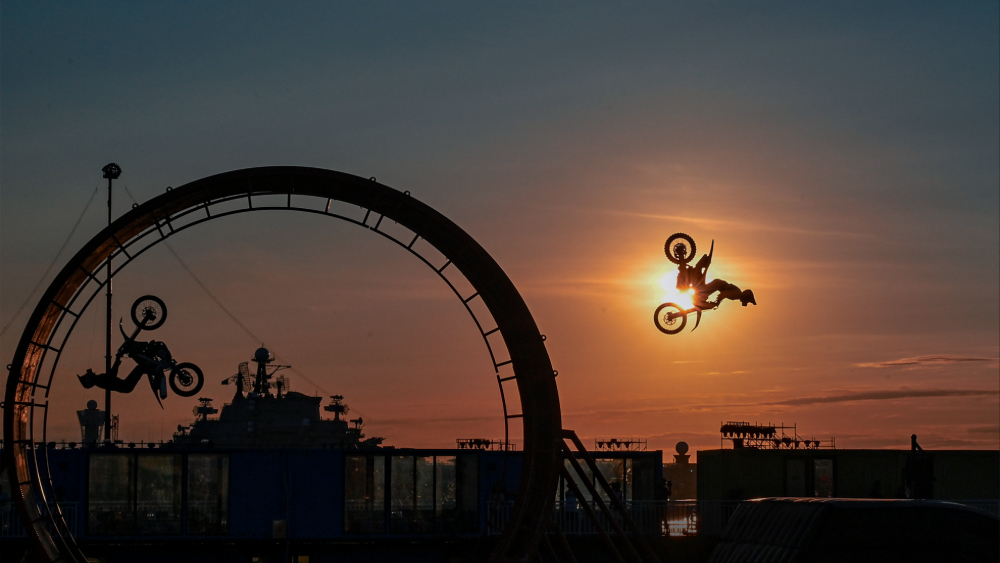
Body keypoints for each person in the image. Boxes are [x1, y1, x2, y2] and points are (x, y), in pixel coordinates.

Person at [77, 339, 173, 398]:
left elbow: (111, 374)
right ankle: (154, 368)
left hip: (126, 386)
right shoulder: (99, 380)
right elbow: (112, 375)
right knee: (140, 367)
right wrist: (117, 361)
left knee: (140, 368)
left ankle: (151, 365)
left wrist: (117, 361)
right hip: (126, 385)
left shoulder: (99, 379)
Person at [674, 241, 756, 308]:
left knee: (700, 292)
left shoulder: (737, 293)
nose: (746, 302)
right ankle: (683, 259)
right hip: (716, 285)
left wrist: (717, 302)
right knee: (701, 294)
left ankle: (685, 266)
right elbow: (723, 294)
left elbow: (723, 294)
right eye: (747, 301)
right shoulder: (737, 294)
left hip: (716, 285)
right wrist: (717, 303)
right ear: (746, 297)